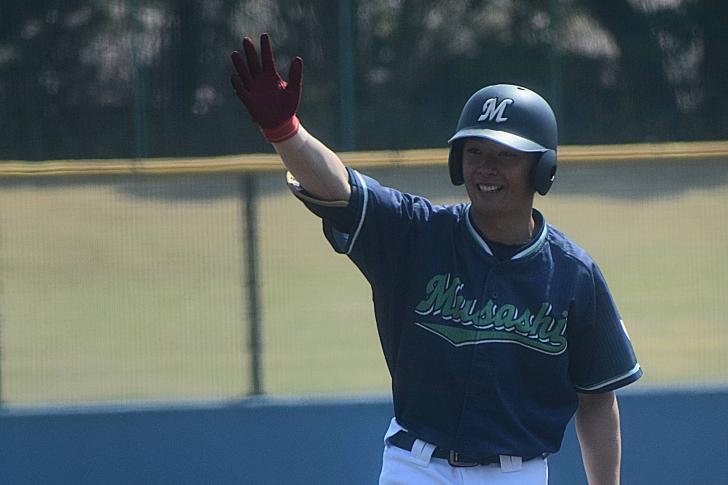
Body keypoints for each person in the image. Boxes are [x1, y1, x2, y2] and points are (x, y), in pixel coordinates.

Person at [231, 33, 642, 485]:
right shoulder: (414, 232)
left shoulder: (572, 275)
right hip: (416, 466)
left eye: (505, 156)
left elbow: (597, 396)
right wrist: (286, 131)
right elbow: (341, 188)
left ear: (542, 168)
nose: (485, 167)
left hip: (517, 473)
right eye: (475, 152)